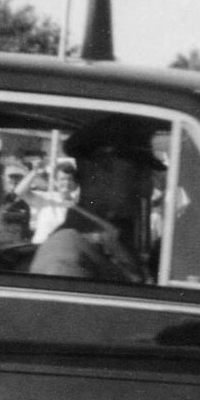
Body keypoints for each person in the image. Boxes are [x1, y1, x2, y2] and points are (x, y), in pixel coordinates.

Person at [28, 116, 163, 282]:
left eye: (147, 177)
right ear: (96, 175)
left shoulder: (111, 242)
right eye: (136, 175)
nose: (147, 188)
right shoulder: (66, 256)